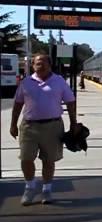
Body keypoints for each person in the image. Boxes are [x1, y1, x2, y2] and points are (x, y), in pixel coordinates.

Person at [9, 53, 78, 206]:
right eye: (37, 63)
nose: (40, 65)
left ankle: (47, 190)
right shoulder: (26, 82)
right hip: (29, 126)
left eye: (43, 63)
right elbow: (18, 104)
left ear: (49, 64)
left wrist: (74, 123)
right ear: (32, 66)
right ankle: (30, 187)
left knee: (49, 160)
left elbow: (70, 102)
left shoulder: (59, 81)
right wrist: (13, 124)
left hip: (52, 126)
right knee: (26, 158)